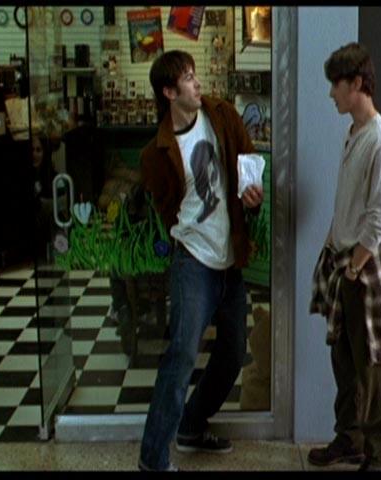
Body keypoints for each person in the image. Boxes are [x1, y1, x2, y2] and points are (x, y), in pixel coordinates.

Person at [137, 49, 263, 472]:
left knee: (233, 353)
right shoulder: (156, 153)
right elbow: (165, 208)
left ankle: (191, 425)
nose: (197, 83)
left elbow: (247, 160)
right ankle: (153, 460)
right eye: (188, 78)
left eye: (194, 74)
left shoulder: (221, 116)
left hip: (230, 260)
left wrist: (254, 196)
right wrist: (187, 235)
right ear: (169, 92)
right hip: (193, 262)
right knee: (181, 356)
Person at [308, 42, 381, 472]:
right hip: (345, 258)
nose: (331, 93)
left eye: (337, 84)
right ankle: (349, 440)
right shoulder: (354, 133)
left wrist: (353, 266)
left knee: (372, 365)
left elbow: (380, 218)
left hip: (363, 264)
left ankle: (379, 456)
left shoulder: (380, 141)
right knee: (344, 360)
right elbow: (352, 203)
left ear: (358, 84)